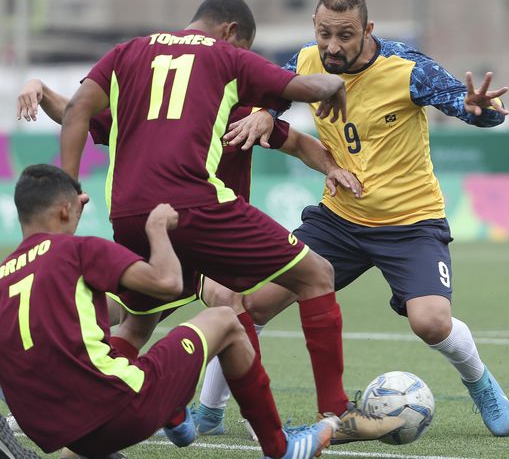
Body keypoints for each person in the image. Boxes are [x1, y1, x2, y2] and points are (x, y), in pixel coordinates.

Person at [58, 0, 401, 447]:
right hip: (199, 207)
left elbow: (76, 109)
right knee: (315, 275)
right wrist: (334, 86)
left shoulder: (128, 52)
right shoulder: (226, 58)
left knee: (141, 321)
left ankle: (108, 410)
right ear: (231, 32)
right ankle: (333, 414)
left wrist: (68, 189)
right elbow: (302, 87)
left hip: (130, 215)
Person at [222, 0, 509, 439]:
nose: (332, 46)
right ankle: (209, 411)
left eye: (344, 35)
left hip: (410, 223)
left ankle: (479, 381)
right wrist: (264, 111)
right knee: (253, 305)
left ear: (368, 30)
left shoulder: (407, 69)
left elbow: (467, 105)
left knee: (431, 322)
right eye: (324, 34)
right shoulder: (307, 61)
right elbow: (276, 92)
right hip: (338, 221)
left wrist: (482, 110)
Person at [0, 164, 340, 459]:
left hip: (53, 430)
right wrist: (158, 229)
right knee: (224, 319)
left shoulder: (4, 276)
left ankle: (174, 413)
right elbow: (168, 283)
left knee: (130, 325)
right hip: (118, 411)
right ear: (64, 210)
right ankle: (279, 447)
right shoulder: (78, 249)